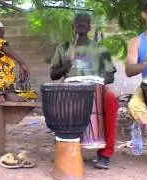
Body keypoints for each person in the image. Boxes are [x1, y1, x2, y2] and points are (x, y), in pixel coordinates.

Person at [50, 13, 119, 169]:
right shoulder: (63, 47)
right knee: (59, 103)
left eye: (85, 22)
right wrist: (64, 67)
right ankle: (67, 149)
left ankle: (105, 153)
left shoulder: (100, 48)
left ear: (89, 26)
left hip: (97, 87)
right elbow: (53, 75)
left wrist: (98, 83)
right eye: (78, 22)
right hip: (70, 89)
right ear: (73, 26)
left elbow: (110, 75)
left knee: (111, 101)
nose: (81, 24)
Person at [125, 0, 147, 145]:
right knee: (134, 105)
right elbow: (129, 71)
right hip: (146, 87)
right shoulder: (136, 42)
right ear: (144, 15)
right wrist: (146, 63)